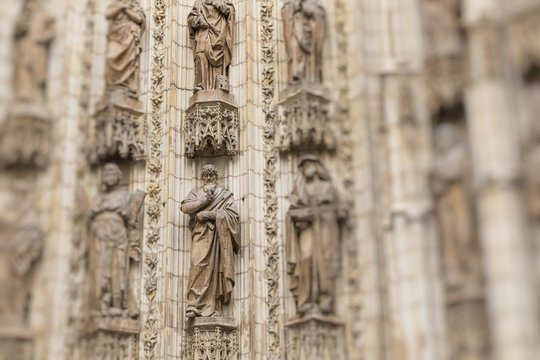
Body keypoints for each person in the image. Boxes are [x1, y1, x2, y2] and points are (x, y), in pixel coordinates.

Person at [286, 156, 344, 316]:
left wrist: (324, 211)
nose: (307, 168)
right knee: (306, 259)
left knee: (324, 262)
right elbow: (293, 212)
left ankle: (324, 299)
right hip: (307, 230)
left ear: (317, 167)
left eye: (310, 164)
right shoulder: (300, 190)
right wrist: (307, 214)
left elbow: (339, 211)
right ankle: (305, 301)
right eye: (303, 166)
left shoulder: (327, 187)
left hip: (325, 229)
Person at [181, 165, 240, 318]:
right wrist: (204, 201)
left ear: (216, 177)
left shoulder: (224, 195)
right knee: (197, 265)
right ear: (202, 178)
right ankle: (194, 304)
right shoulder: (196, 193)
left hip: (217, 238)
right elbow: (185, 207)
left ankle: (214, 306)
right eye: (205, 175)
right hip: (200, 236)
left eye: (211, 175)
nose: (208, 178)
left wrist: (211, 215)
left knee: (215, 269)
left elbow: (233, 216)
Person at [88, 163, 144, 318]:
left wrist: (134, 244)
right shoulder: (98, 199)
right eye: (105, 171)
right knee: (99, 271)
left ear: (119, 176)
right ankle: (101, 304)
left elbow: (132, 223)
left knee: (117, 270)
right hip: (98, 237)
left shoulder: (125, 196)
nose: (108, 173)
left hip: (118, 236)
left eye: (112, 171)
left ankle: (116, 304)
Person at [188, 0, 235, 92]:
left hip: (219, 34)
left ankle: (218, 86)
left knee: (219, 58)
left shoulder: (222, 1)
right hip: (204, 33)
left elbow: (230, 11)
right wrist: (199, 20)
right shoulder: (200, 3)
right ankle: (201, 85)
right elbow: (191, 19)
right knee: (200, 55)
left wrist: (219, 4)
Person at [13, 0, 54, 104]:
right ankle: (24, 95)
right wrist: (22, 26)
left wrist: (41, 38)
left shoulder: (45, 15)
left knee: (37, 71)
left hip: (37, 49)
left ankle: (38, 97)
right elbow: (16, 32)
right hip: (25, 48)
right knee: (24, 70)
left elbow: (51, 32)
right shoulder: (24, 17)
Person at [105, 0, 146, 98]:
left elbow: (139, 19)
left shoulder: (134, 5)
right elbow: (107, 15)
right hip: (117, 35)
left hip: (129, 37)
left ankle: (127, 86)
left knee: (130, 60)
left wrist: (125, 9)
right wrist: (120, 7)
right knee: (111, 57)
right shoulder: (117, 4)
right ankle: (114, 85)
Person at [282, 0, 326, 84]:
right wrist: (297, 6)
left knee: (310, 59)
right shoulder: (292, 4)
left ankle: (312, 78)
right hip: (297, 31)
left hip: (309, 35)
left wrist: (311, 10)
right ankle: (295, 75)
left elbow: (320, 13)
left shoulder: (315, 3)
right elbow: (286, 10)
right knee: (295, 52)